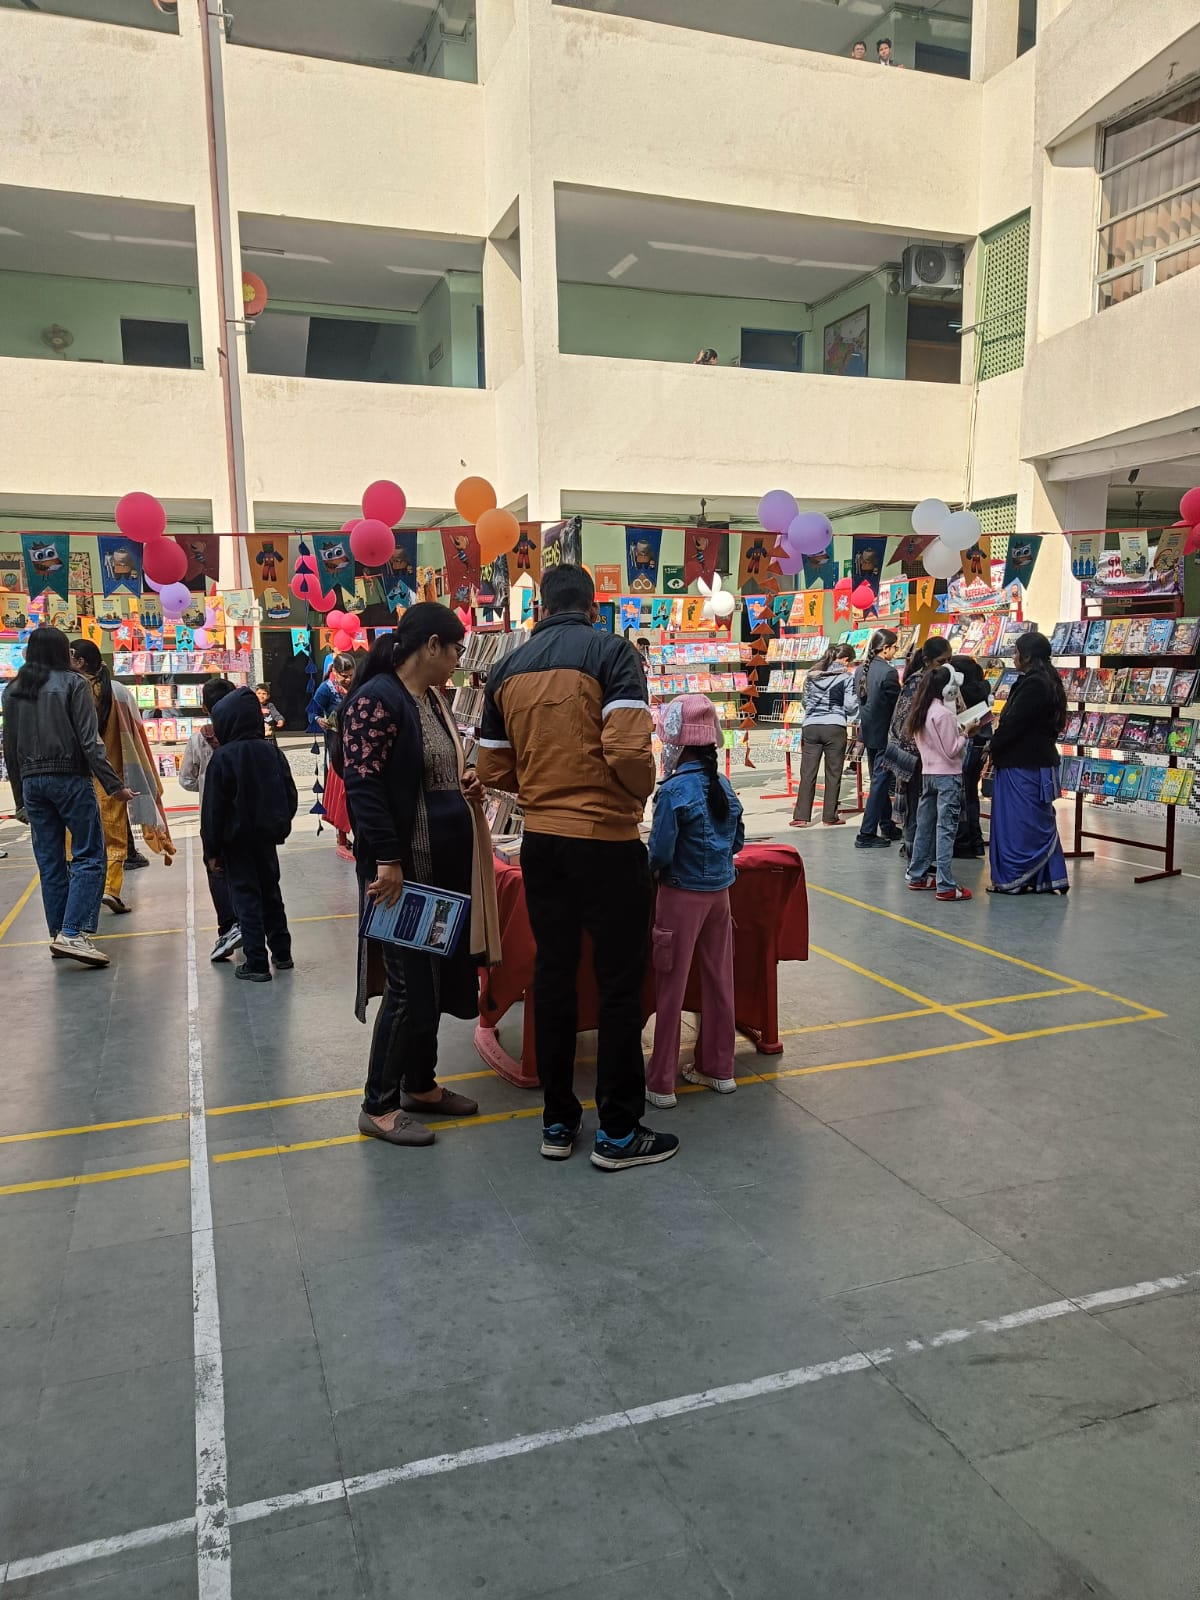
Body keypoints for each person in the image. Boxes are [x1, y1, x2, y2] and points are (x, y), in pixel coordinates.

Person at [477, 564, 678, 1172]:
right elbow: (627, 749)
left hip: (542, 842)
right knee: (618, 985)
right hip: (608, 841)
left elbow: (491, 769)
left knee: (554, 978)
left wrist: (543, 790)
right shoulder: (613, 653)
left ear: (541, 608)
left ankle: (558, 1121)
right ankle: (617, 1131)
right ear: (593, 606)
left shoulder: (506, 668)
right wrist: (636, 794)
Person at [341, 607, 502, 1148]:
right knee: (408, 988)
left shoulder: (430, 699)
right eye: (456, 650)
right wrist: (388, 859)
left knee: (429, 982)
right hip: (403, 874)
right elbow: (363, 785)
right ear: (431, 645)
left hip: (438, 871)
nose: (458, 660)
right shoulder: (377, 700)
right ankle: (378, 1104)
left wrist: (466, 782)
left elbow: (435, 768)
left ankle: (420, 1084)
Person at [1, 626, 134, 966]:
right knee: (89, 855)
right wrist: (114, 786)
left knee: (50, 861)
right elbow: (90, 742)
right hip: (70, 779)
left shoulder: (13, 690)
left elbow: (10, 750)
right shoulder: (74, 684)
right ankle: (74, 933)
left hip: (31, 783)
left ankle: (59, 931)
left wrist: (19, 800)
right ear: (62, 652)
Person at [645, 695, 745, 1108]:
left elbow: (659, 852)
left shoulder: (673, 790)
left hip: (679, 898)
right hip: (720, 896)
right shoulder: (723, 785)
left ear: (676, 742)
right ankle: (720, 1069)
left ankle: (661, 1082)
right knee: (720, 982)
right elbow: (736, 842)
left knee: (671, 989)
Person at [200, 687, 298, 981]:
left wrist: (212, 851)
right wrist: (280, 823)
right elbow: (290, 794)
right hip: (267, 839)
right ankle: (282, 953)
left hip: (236, 843)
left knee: (246, 899)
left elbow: (213, 810)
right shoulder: (272, 752)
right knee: (271, 894)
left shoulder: (223, 758)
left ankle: (256, 962)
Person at [70, 638, 175, 912]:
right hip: (113, 774)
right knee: (114, 835)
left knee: (77, 836)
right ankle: (110, 889)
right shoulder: (118, 691)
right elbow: (136, 729)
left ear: (80, 661)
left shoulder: (70, 688)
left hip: (77, 775)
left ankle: (82, 893)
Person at [986, 631, 1070, 895]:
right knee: (1033, 821)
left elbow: (1015, 723)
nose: (1014, 657)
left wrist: (993, 744)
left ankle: (1016, 877)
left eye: (1017, 652)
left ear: (1028, 656)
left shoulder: (1035, 685)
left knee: (1018, 824)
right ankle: (1041, 877)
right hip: (1033, 760)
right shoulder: (1046, 681)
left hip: (1023, 762)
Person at [179, 677, 242, 961]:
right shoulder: (244, 736)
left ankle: (227, 927)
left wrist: (206, 786)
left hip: (211, 815)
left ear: (204, 707)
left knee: (217, 869)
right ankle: (249, 923)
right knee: (246, 869)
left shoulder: (198, 739)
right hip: (245, 816)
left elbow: (186, 779)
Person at [903, 666, 976, 902]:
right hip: (948, 777)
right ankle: (945, 884)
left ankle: (917, 874)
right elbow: (952, 750)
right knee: (946, 829)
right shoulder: (943, 714)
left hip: (929, 774)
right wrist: (966, 733)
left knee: (924, 826)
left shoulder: (921, 711)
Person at [881, 636, 953, 857]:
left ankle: (918, 851)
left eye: (949, 661)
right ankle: (915, 853)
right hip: (916, 756)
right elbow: (906, 722)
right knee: (918, 807)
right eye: (941, 661)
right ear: (927, 660)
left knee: (926, 807)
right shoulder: (918, 683)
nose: (946, 666)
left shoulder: (941, 683)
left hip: (930, 755)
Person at [791, 643, 857, 828]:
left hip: (811, 726)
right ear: (845, 660)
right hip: (835, 727)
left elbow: (805, 702)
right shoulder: (846, 677)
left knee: (807, 772)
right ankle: (829, 816)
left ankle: (801, 816)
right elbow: (851, 706)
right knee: (833, 773)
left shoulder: (811, 675)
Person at [854, 628, 902, 848]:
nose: (896, 651)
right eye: (895, 647)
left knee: (879, 781)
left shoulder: (860, 670)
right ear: (885, 648)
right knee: (879, 782)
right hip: (885, 735)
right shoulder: (888, 672)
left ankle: (886, 824)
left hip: (869, 732)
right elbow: (897, 706)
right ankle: (866, 832)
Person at [307, 652, 356, 861]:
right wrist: (319, 720)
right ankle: (341, 838)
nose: (348, 680)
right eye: (344, 676)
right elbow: (312, 712)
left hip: (356, 745)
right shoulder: (326, 689)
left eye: (351, 675)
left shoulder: (357, 686)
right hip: (337, 747)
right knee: (340, 792)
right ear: (334, 672)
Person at [951, 654, 993, 859]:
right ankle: (974, 840)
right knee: (971, 793)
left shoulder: (959, 691)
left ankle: (962, 839)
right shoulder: (984, 687)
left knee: (961, 793)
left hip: (965, 742)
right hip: (981, 744)